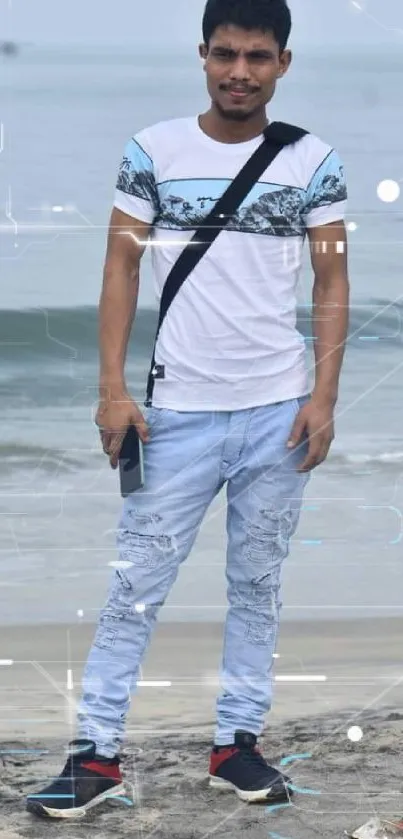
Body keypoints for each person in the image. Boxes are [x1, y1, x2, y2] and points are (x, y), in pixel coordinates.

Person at [26, 0, 349, 821]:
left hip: (276, 412)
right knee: (135, 587)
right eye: (225, 54)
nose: (239, 71)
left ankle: (235, 743)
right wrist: (112, 390)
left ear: (284, 63)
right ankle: (95, 756)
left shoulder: (312, 162)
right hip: (174, 414)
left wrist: (322, 396)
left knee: (256, 584)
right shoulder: (154, 151)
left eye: (258, 56)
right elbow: (118, 271)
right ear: (202, 55)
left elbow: (332, 280)